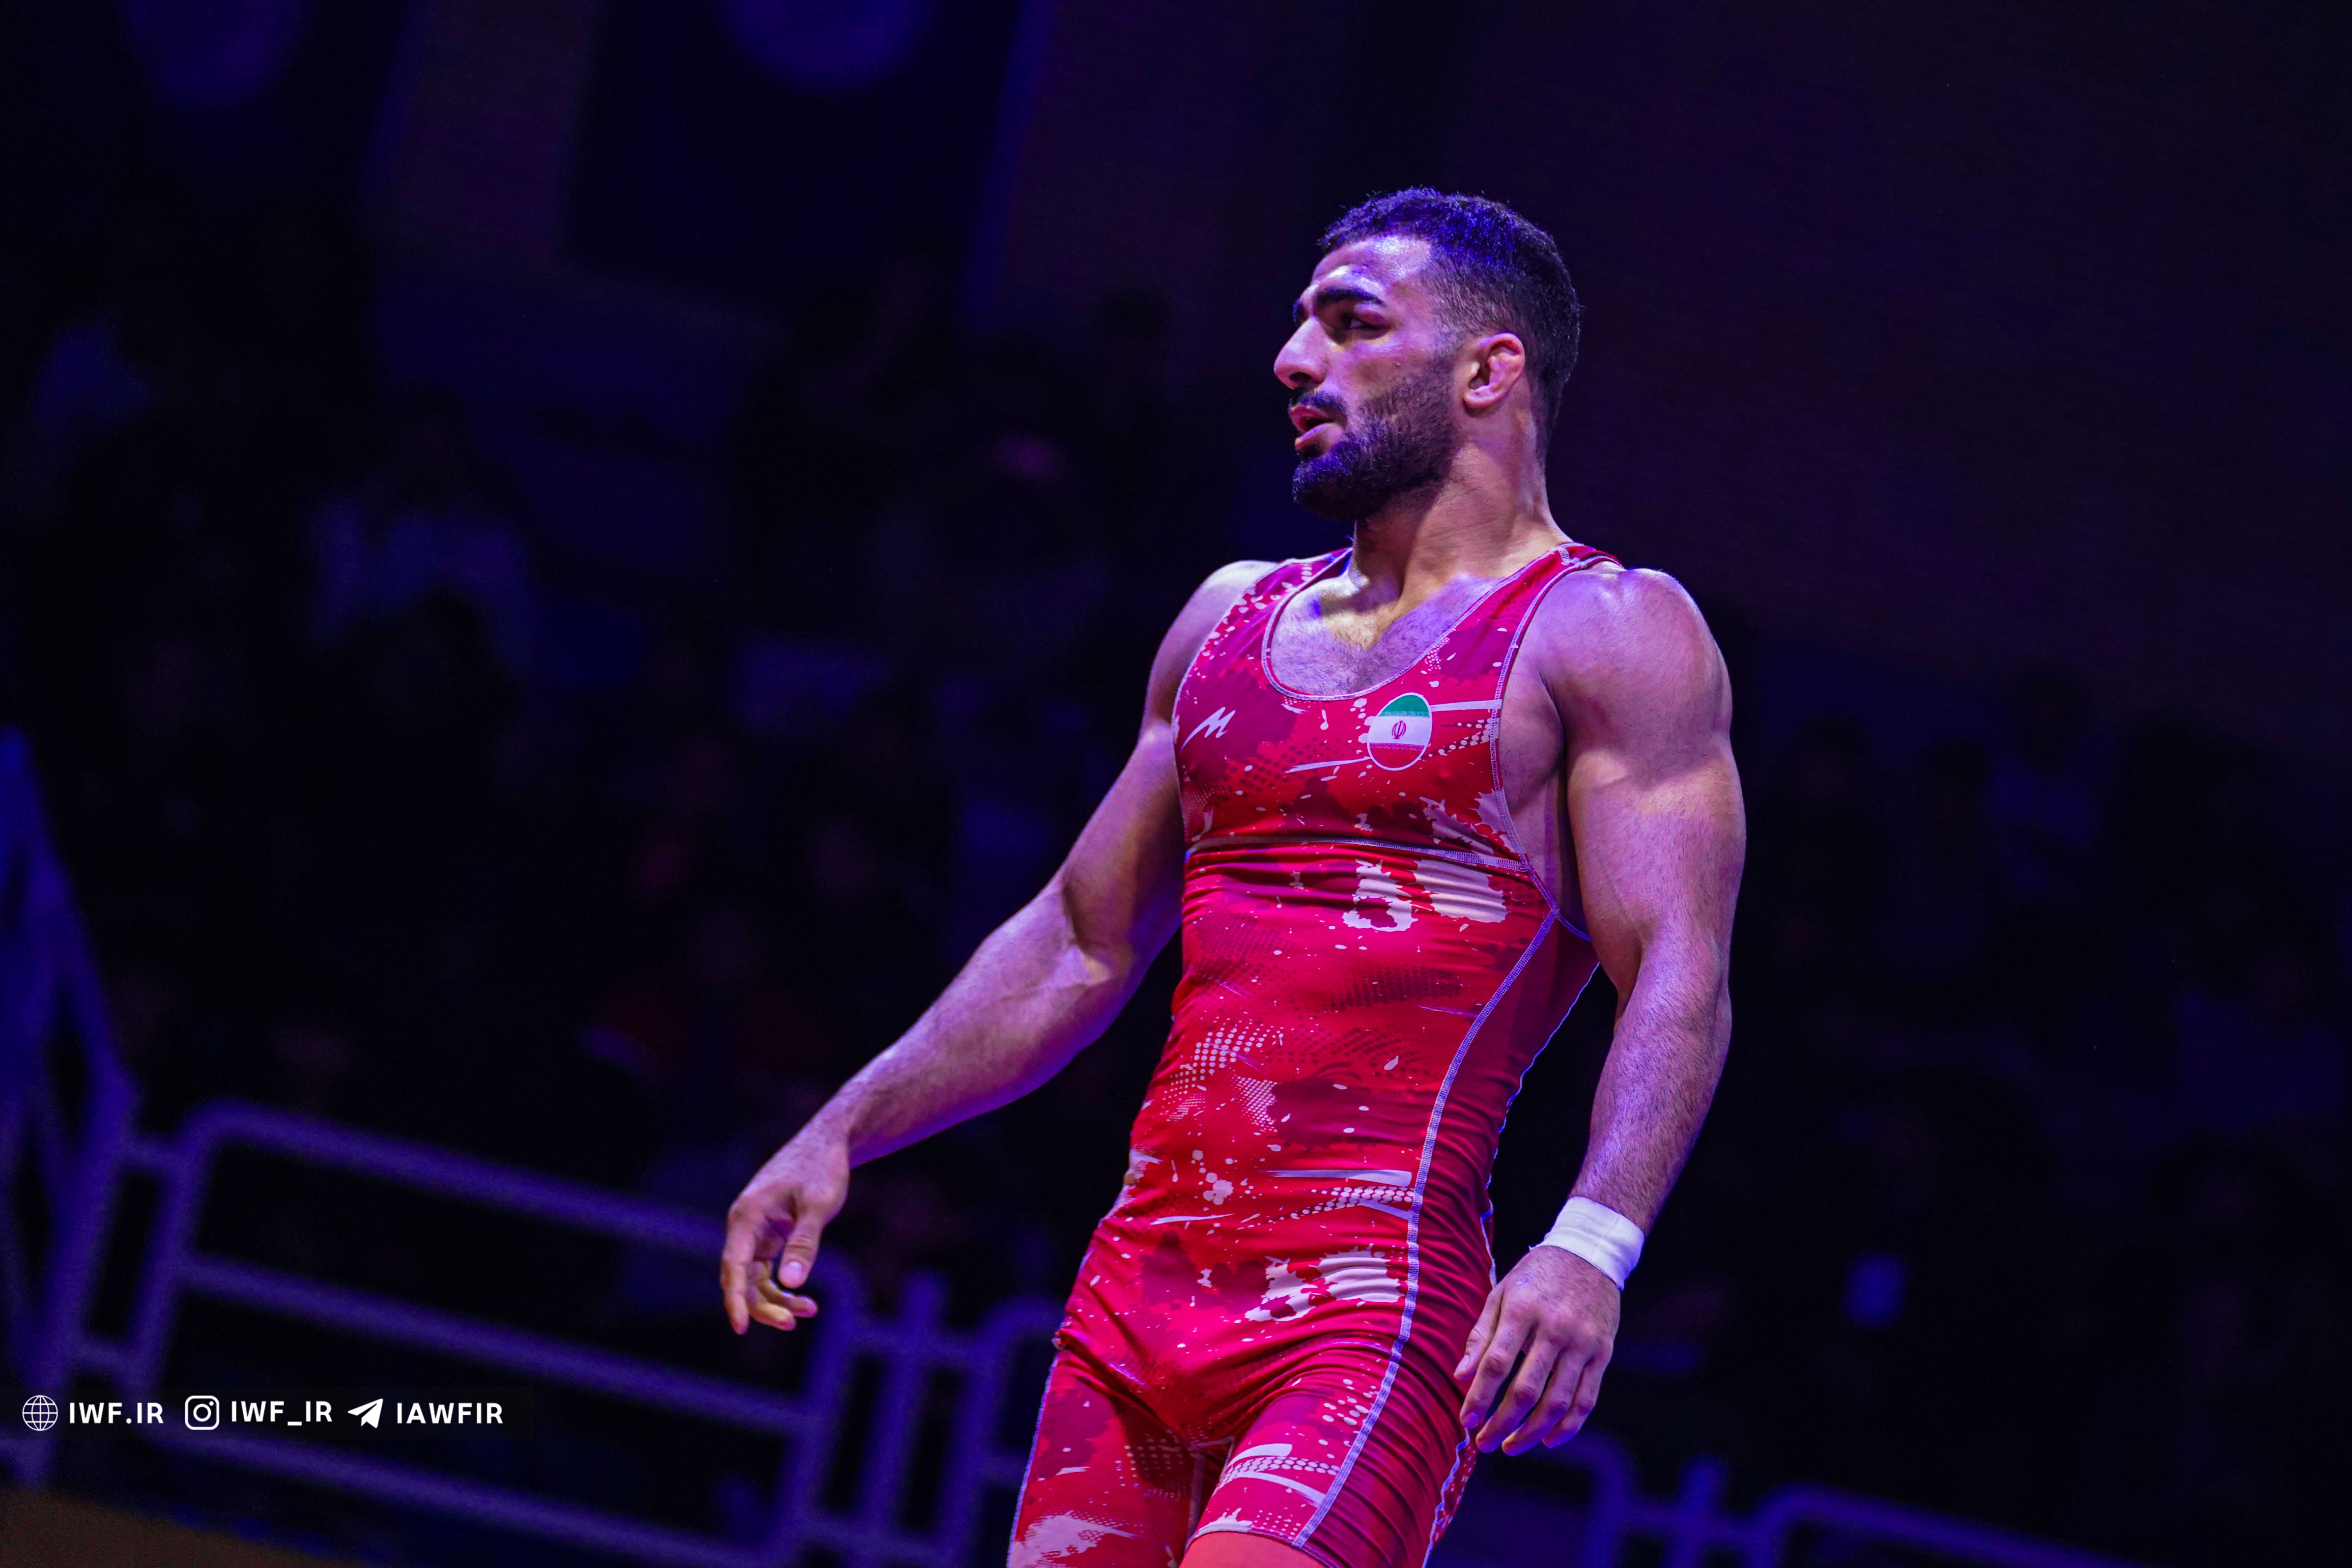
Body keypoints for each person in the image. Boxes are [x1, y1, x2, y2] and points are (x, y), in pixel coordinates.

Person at [721, 190, 1745, 1568]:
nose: (1291, 359)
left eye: (1351, 323)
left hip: (1366, 1320)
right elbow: (1079, 940)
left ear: (1487, 371)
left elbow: (1677, 971)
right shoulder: (1226, 617)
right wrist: (842, 1127)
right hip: (1132, 1303)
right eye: (1297, 322)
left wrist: (1593, 1243)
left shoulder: (1606, 631)